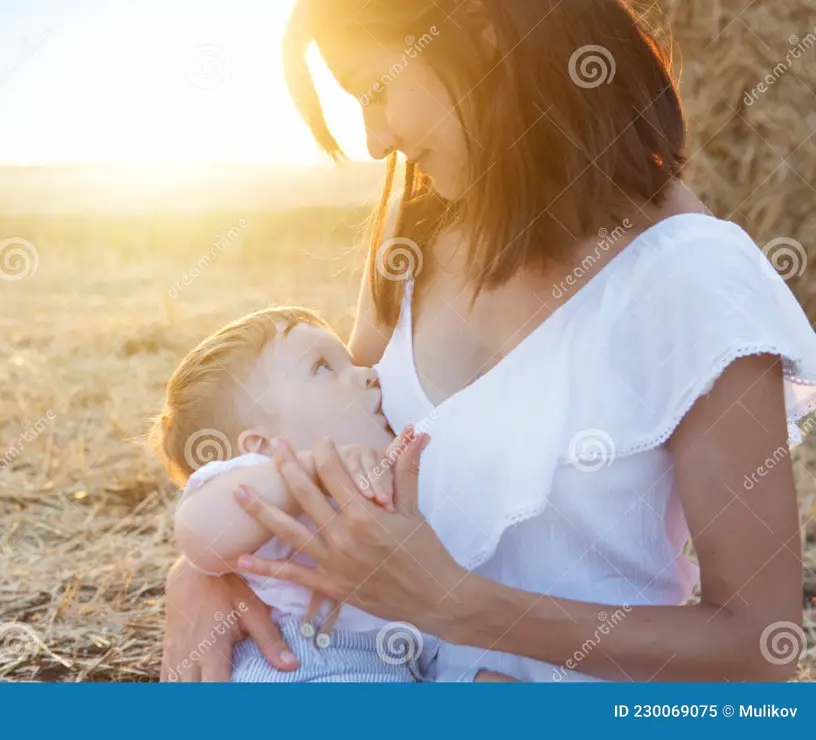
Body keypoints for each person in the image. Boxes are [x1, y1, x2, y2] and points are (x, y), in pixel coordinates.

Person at [162, 0, 815, 682]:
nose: (375, 139)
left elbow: (758, 648)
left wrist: (458, 605)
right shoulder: (409, 232)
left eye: (376, 90)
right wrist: (207, 571)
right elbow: (318, 458)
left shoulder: (691, 275)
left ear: (480, 27)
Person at [151, 306, 431, 681]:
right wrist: (308, 468)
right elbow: (199, 532)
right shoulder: (260, 478)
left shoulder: (394, 466)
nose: (369, 373)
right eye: (322, 367)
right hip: (304, 662)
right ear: (262, 447)